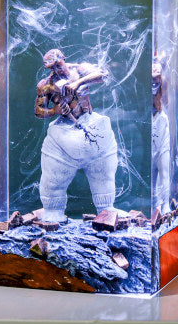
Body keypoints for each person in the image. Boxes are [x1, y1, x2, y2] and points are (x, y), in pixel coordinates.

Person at [35, 49, 118, 222]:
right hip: (63, 133)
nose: (57, 70)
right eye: (52, 68)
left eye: (58, 65)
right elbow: (38, 111)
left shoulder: (80, 70)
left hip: (90, 124)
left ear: (64, 59)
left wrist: (78, 83)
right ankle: (53, 211)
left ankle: (106, 210)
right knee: (53, 178)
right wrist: (55, 110)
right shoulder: (46, 85)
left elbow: (103, 75)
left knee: (103, 173)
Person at [151, 62, 171, 214]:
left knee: (164, 170)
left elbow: (157, 78)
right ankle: (154, 205)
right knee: (152, 174)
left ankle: (165, 205)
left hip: (161, 126)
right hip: (151, 127)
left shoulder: (161, 85)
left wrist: (157, 74)